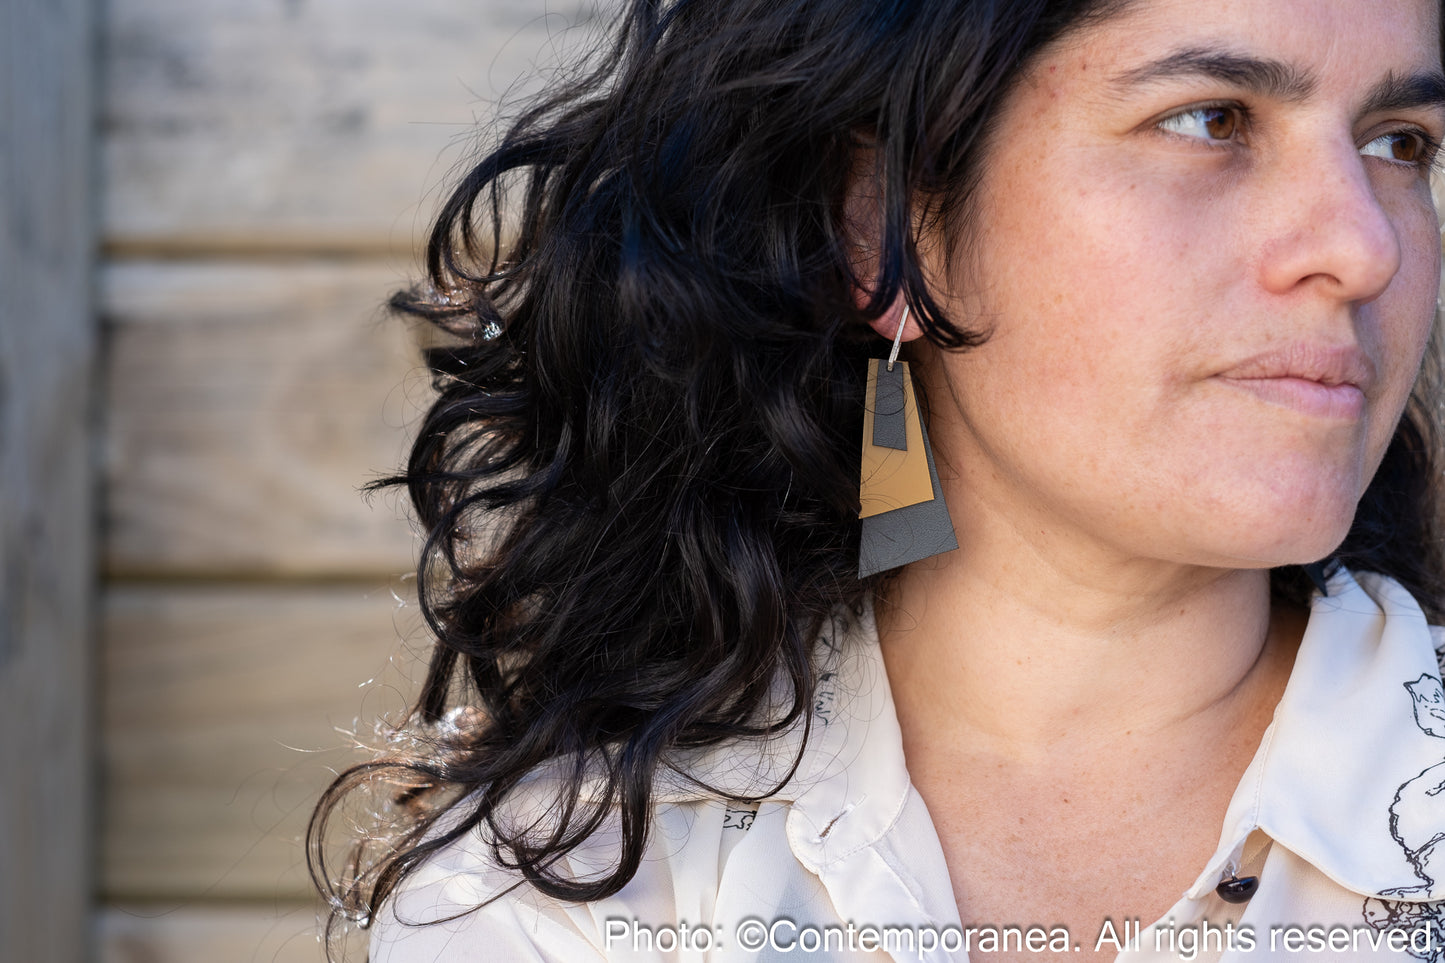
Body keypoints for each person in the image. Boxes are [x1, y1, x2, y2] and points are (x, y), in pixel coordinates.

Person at [309, 0, 1445, 959]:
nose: (1362, 247)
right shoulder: (572, 891)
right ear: (876, 233)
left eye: (1398, 143)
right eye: (1208, 121)